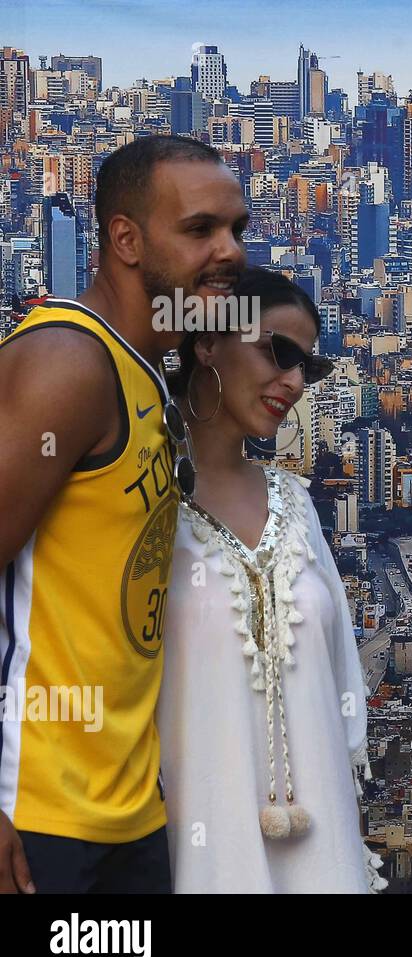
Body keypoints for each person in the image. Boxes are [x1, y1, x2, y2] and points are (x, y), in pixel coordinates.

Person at [0, 135, 247, 893]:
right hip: (38, 818)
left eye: (237, 228)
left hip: (131, 819)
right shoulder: (67, 364)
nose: (230, 249)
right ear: (126, 240)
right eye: (200, 229)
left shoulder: (148, 369)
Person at [158, 267, 384, 893]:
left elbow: (342, 683)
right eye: (276, 352)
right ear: (206, 344)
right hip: (196, 853)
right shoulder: (141, 500)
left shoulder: (298, 505)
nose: (290, 381)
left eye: (305, 369)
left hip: (324, 852)